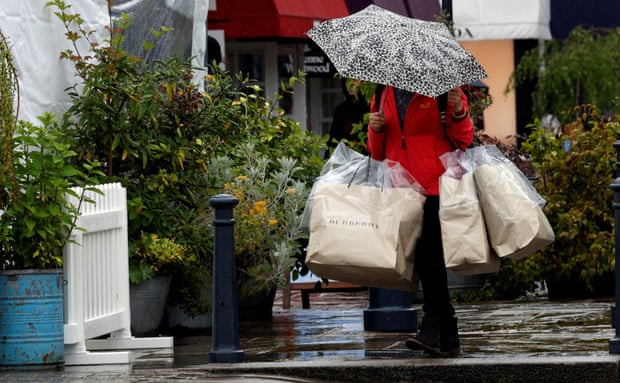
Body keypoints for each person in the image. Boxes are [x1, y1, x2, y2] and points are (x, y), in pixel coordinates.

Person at [367, 85, 473, 357]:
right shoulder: (382, 93)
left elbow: (464, 140)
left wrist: (459, 111)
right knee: (425, 260)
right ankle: (448, 336)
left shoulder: (444, 90)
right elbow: (377, 153)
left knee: (430, 255)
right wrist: (375, 129)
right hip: (401, 188)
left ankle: (430, 326)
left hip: (436, 185)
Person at [327, 78, 369, 154]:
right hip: (347, 157)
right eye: (348, 81)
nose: (351, 83)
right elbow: (334, 138)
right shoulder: (341, 109)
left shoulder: (370, 106)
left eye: (355, 80)